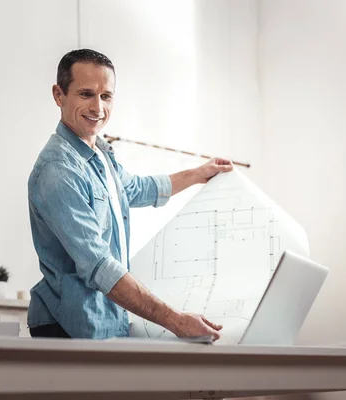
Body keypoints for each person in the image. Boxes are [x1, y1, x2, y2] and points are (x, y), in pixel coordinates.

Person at [27, 49, 233, 340]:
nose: (98, 107)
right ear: (59, 95)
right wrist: (174, 320)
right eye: (86, 94)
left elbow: (136, 189)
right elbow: (98, 264)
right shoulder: (58, 171)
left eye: (106, 96)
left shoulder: (100, 155)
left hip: (104, 321)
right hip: (68, 326)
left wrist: (200, 173)